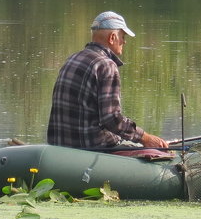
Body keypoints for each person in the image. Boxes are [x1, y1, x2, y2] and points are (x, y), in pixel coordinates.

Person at [47, 11, 169, 154]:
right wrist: (144, 137)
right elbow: (111, 119)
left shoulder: (73, 58)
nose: (124, 42)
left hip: (59, 146)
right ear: (112, 38)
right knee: (155, 154)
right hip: (89, 148)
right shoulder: (106, 66)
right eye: (122, 37)